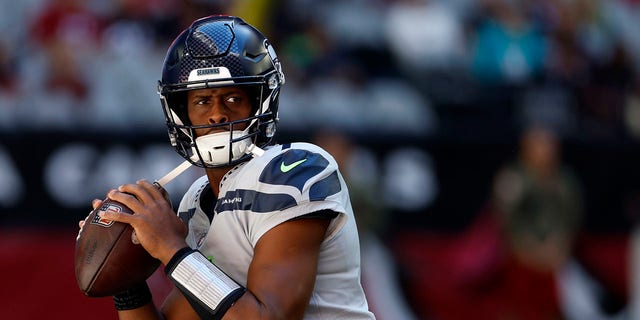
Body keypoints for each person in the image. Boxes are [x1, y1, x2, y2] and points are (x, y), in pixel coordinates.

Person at [79, 15, 375, 320]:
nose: (217, 115)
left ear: (261, 103)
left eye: (233, 98)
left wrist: (169, 246)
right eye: (203, 101)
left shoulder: (297, 168)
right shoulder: (197, 199)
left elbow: (267, 318)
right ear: (181, 113)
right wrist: (127, 279)